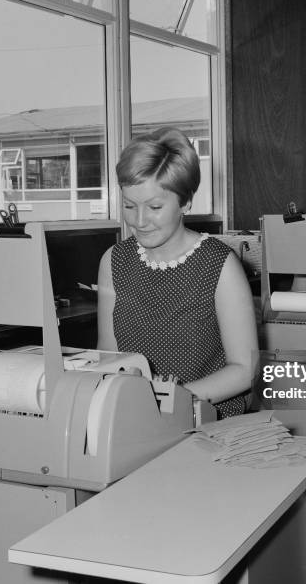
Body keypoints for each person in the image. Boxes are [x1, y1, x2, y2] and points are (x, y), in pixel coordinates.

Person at [97, 127, 258, 418]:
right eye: (129, 206)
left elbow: (245, 370)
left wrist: (169, 401)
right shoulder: (114, 261)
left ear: (185, 202)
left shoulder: (219, 264)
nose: (140, 221)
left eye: (155, 206)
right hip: (136, 416)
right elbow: (109, 357)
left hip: (209, 419)